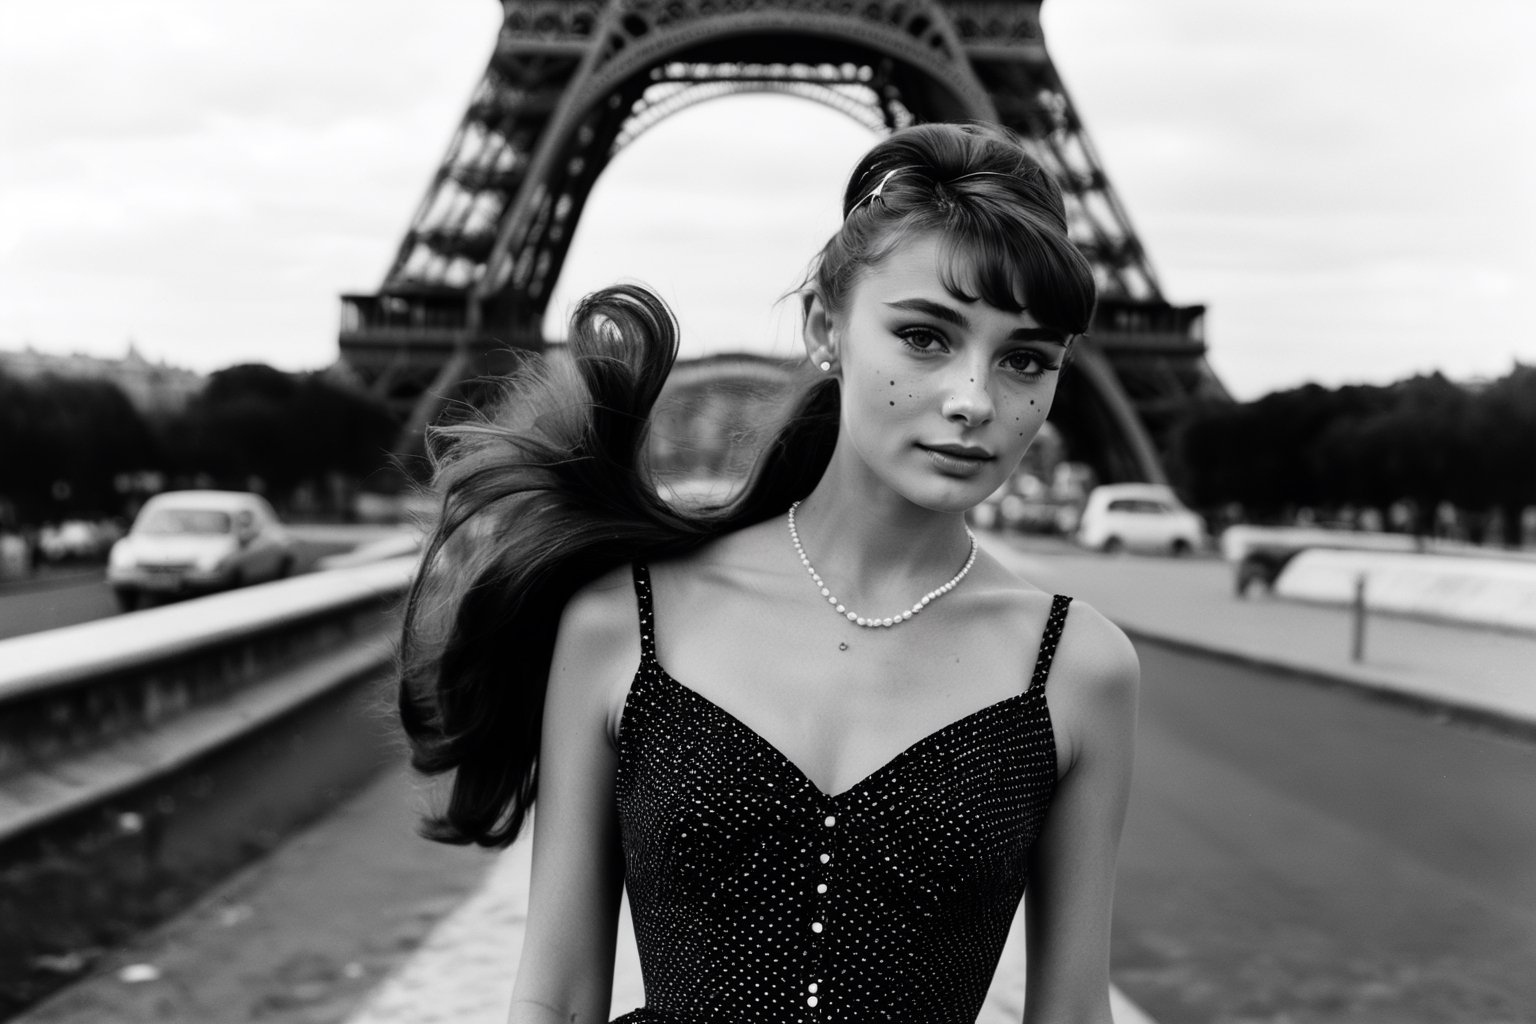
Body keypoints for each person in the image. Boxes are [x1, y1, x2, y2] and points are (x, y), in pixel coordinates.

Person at [399, 121, 1140, 1024]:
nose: (974, 400)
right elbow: (552, 1001)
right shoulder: (621, 621)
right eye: (925, 337)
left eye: (1026, 359)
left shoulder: (1080, 670)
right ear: (827, 327)